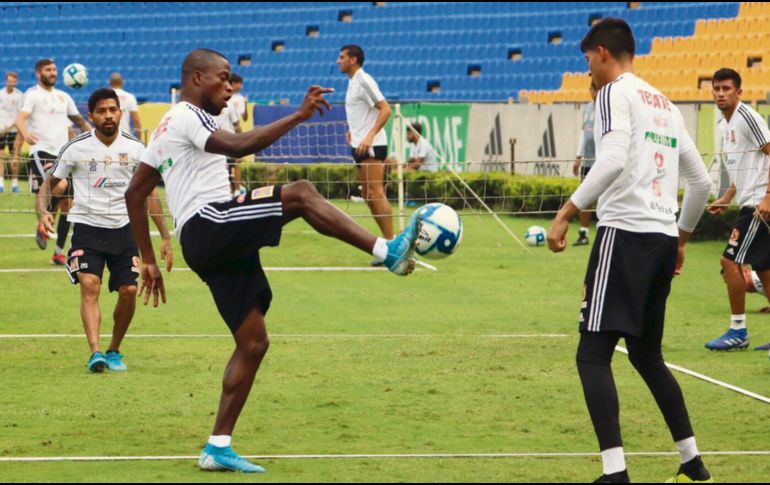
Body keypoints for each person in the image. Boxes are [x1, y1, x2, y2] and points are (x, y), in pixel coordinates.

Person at [125, 48, 421, 473]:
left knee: (253, 342)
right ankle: (387, 251)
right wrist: (299, 115)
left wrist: (148, 259)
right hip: (211, 222)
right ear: (195, 80)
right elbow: (240, 144)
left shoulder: (167, 127)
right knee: (300, 193)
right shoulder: (188, 116)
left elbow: (135, 193)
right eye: (222, 78)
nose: (229, 86)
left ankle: (217, 447)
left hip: (208, 240)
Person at [546, 18, 713, 483]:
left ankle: (615, 473)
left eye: (587, 61)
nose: (589, 72)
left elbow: (614, 160)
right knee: (646, 355)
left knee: (592, 354)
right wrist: (680, 238)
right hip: (660, 238)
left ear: (601, 53)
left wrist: (565, 212)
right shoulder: (665, 103)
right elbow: (700, 183)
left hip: (623, 235)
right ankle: (692, 462)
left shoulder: (613, 93)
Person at [36, 88, 172, 373]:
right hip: (87, 227)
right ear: (91, 116)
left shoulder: (136, 149)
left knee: (129, 290)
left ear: (120, 113)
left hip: (125, 229)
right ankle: (95, 352)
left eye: (113, 110)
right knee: (90, 285)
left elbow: (150, 195)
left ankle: (114, 349)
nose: (108, 115)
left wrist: (165, 236)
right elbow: (51, 183)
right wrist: (44, 211)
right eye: (101, 111)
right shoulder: (77, 148)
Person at [705, 68, 770, 352]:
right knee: (765, 269)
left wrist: (768, 197)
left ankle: (738, 330)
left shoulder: (747, 118)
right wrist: (726, 196)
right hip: (749, 201)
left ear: (739, 92)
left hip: (758, 205)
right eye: (716, 88)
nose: (721, 93)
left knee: (729, 262)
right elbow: (741, 167)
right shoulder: (723, 124)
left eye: (727, 88)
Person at [15, 58, 92, 264]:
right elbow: (20, 119)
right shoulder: (33, 95)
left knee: (69, 204)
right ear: (38, 73)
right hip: (42, 152)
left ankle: (58, 253)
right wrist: (26, 133)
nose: (53, 73)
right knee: (60, 185)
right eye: (48, 70)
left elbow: (80, 120)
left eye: (55, 69)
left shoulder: (64, 96)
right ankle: (42, 218)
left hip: (63, 154)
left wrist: (94, 137)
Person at [338, 44, 394, 239]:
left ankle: (391, 242)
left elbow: (386, 109)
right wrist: (352, 131)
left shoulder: (364, 80)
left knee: (376, 192)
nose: (338, 61)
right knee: (368, 195)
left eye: (342, 57)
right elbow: (362, 113)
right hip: (359, 144)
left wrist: (369, 135)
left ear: (353, 60)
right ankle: (387, 239)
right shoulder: (352, 82)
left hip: (372, 145)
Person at [572, 81, 598, 246]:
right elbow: (585, 132)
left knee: (605, 199)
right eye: (592, 88)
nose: (594, 92)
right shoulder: (588, 108)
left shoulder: (608, 107)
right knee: (585, 197)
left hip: (603, 161)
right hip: (588, 161)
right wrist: (578, 156)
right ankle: (583, 233)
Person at [0, 71, 23, 193]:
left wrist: (7, 128)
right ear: (6, 81)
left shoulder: (19, 96)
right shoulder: (0, 94)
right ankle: (1, 184)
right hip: (1, 132)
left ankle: (15, 184)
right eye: (10, 81)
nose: (12, 84)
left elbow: (21, 116)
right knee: (1, 157)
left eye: (14, 82)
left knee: (15, 157)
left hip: (13, 131)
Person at [109, 72, 142, 138]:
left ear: (110, 82)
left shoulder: (105, 96)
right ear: (122, 82)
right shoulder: (130, 97)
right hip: (124, 134)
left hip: (108, 134)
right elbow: (136, 119)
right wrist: (139, 137)